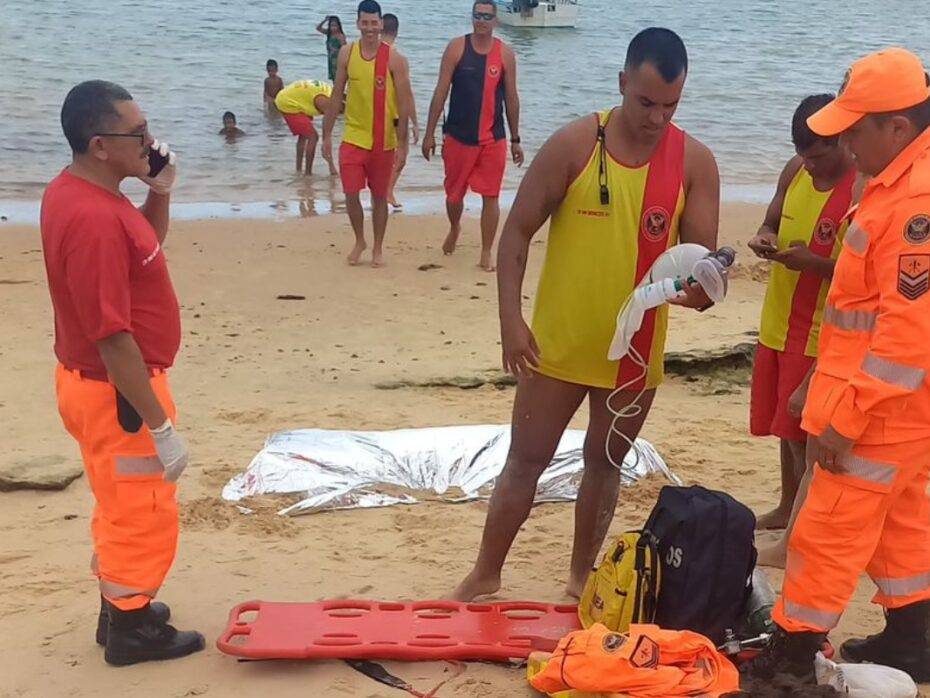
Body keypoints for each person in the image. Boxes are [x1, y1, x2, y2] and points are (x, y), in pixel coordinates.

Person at [452, 28, 719, 602]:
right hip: (556, 344)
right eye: (645, 102)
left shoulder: (695, 161)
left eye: (670, 105)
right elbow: (516, 233)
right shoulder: (576, 144)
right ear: (623, 83)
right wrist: (510, 321)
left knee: (605, 465)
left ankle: (579, 580)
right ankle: (484, 573)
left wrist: (702, 291)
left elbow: (697, 269)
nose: (656, 118)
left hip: (635, 353)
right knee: (524, 461)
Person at [743, 47, 930, 685]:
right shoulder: (898, 180)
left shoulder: (914, 205)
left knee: (826, 531)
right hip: (897, 408)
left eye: (855, 127)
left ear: (897, 128)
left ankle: (791, 659)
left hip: (879, 409)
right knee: (902, 525)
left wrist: (845, 415)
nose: (846, 140)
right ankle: (915, 639)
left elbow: (907, 337)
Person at [39, 80, 203, 665]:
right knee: (142, 510)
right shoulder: (92, 219)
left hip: (97, 388)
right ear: (100, 144)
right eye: (137, 134)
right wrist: (158, 424)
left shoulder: (83, 193)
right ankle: (132, 629)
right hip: (120, 394)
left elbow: (145, 241)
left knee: (117, 501)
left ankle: (120, 609)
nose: (150, 142)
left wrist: (159, 191)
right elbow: (111, 335)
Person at [747, 94, 857, 567]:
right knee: (782, 429)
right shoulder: (794, 171)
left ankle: (800, 530)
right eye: (804, 156)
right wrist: (765, 239)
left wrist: (813, 264)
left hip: (817, 329)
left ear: (840, 144)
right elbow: (771, 220)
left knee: (803, 434)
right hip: (777, 322)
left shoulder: (858, 188)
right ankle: (786, 505)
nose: (809, 166)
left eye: (816, 157)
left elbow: (861, 276)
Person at [423, 1, 523, 272]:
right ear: (472, 18)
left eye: (487, 17)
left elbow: (512, 98)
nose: (481, 21)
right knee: (454, 196)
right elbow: (440, 91)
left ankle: (486, 250)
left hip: (493, 139)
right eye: (477, 15)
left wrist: (516, 139)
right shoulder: (457, 48)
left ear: (495, 21)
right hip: (458, 136)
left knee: (491, 196)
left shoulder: (505, 54)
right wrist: (429, 133)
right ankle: (455, 227)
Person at [322, 0, 413, 268]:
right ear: (358, 23)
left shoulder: (395, 59)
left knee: (379, 197)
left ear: (381, 23)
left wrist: (403, 143)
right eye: (365, 23)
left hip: (383, 141)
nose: (370, 28)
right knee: (350, 193)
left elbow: (405, 103)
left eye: (374, 23)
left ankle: (377, 247)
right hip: (353, 137)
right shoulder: (347, 54)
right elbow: (337, 95)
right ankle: (360, 239)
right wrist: (326, 134)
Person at [381, 12, 420, 210]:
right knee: (401, 156)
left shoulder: (370, 56)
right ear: (396, 31)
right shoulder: (398, 59)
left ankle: (381, 192)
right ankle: (387, 192)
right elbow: (406, 94)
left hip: (375, 116)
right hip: (396, 116)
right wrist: (414, 122)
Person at [275, 79, 338, 175]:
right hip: (287, 102)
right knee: (313, 137)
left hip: (295, 97)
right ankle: (308, 173)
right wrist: (331, 166)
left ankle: (298, 170)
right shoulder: (325, 103)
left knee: (304, 135)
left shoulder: (330, 92)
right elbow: (326, 137)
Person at [317, 15, 347, 82]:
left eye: (335, 26)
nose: (333, 28)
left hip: (338, 60)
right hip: (331, 59)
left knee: (338, 78)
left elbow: (345, 49)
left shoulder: (340, 36)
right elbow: (318, 28)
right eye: (331, 26)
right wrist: (325, 20)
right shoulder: (329, 34)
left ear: (339, 26)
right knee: (333, 78)